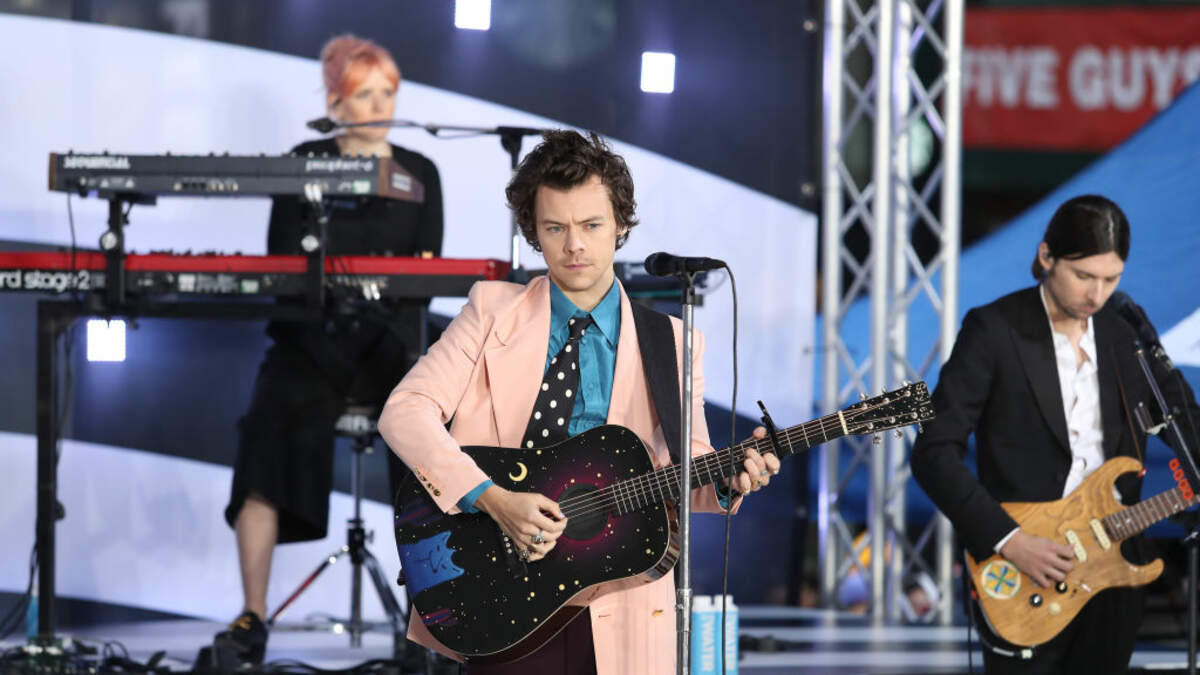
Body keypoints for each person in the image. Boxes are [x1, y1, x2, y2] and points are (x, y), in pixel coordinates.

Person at [377, 130, 779, 674]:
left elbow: (687, 470)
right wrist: (492, 498)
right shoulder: (490, 310)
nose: (574, 246)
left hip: (621, 599)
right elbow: (404, 411)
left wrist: (729, 481)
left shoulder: (675, 342)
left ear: (621, 225)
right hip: (502, 590)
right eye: (555, 228)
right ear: (533, 232)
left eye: (591, 225)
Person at [216, 34, 443, 664]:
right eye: (364, 94)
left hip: (390, 344)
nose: (379, 106)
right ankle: (251, 615)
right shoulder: (303, 162)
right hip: (310, 342)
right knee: (266, 425)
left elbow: (425, 278)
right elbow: (283, 266)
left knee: (431, 432)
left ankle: (434, 619)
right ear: (335, 103)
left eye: (387, 93)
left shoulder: (421, 172)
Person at [911, 195, 1200, 674]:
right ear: (1046, 256)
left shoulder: (1124, 334)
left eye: (1112, 279)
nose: (1096, 294)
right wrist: (1008, 539)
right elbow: (933, 451)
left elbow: (1185, 423)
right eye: (1084, 276)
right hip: (1023, 568)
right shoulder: (993, 329)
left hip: (1114, 567)